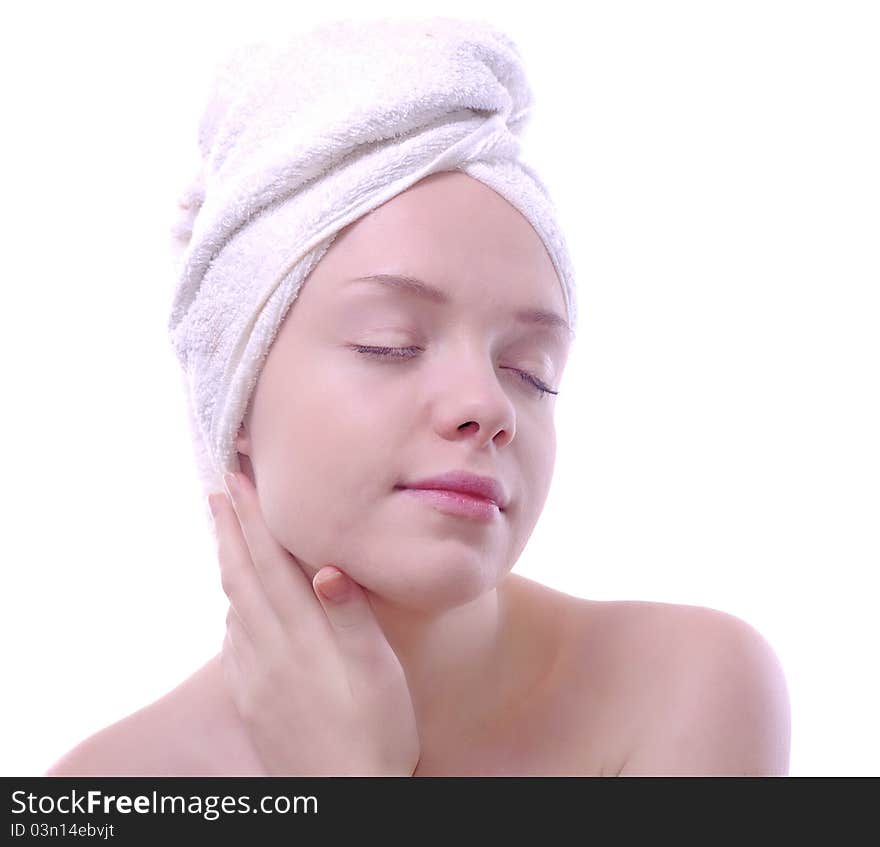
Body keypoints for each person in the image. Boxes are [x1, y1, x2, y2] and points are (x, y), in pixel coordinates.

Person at [45, 19, 790, 777]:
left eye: (531, 371)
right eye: (389, 343)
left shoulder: (688, 688)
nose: (488, 405)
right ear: (235, 401)